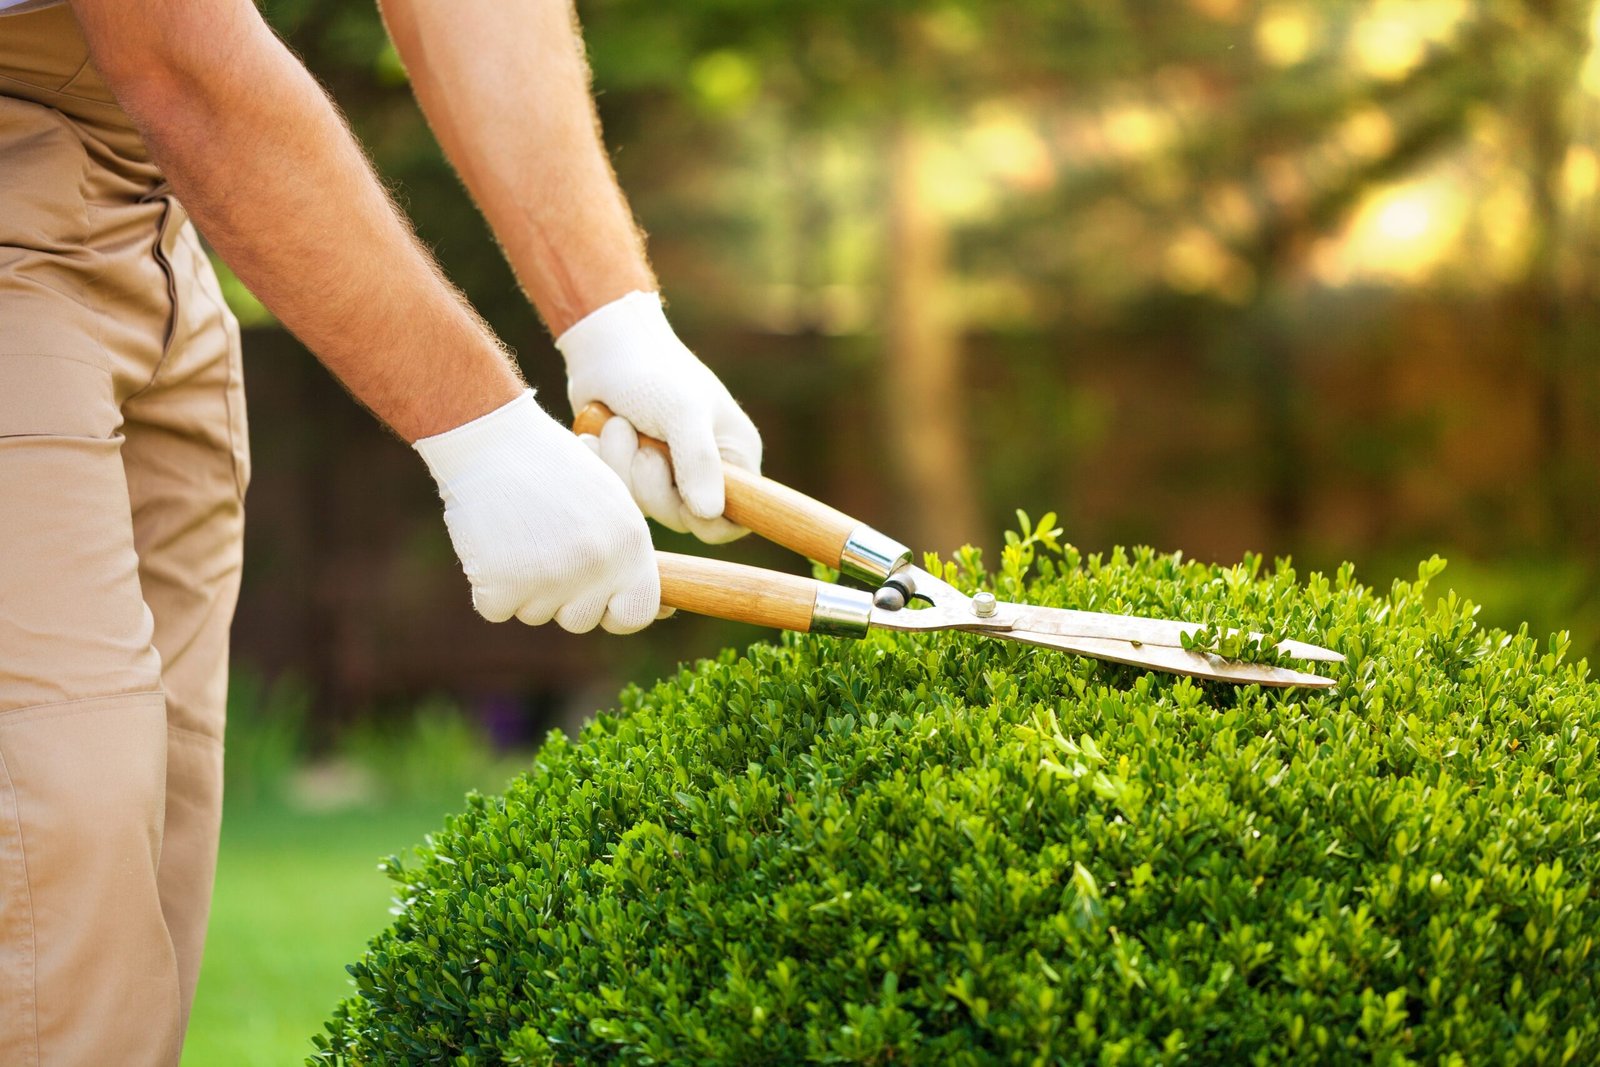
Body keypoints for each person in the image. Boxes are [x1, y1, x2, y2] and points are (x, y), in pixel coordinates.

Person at [0, 0, 760, 1060]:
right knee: (52, 877)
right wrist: (481, 434)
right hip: (102, 124)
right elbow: (179, 62)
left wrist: (611, 317)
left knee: (138, 889)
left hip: (152, 215)